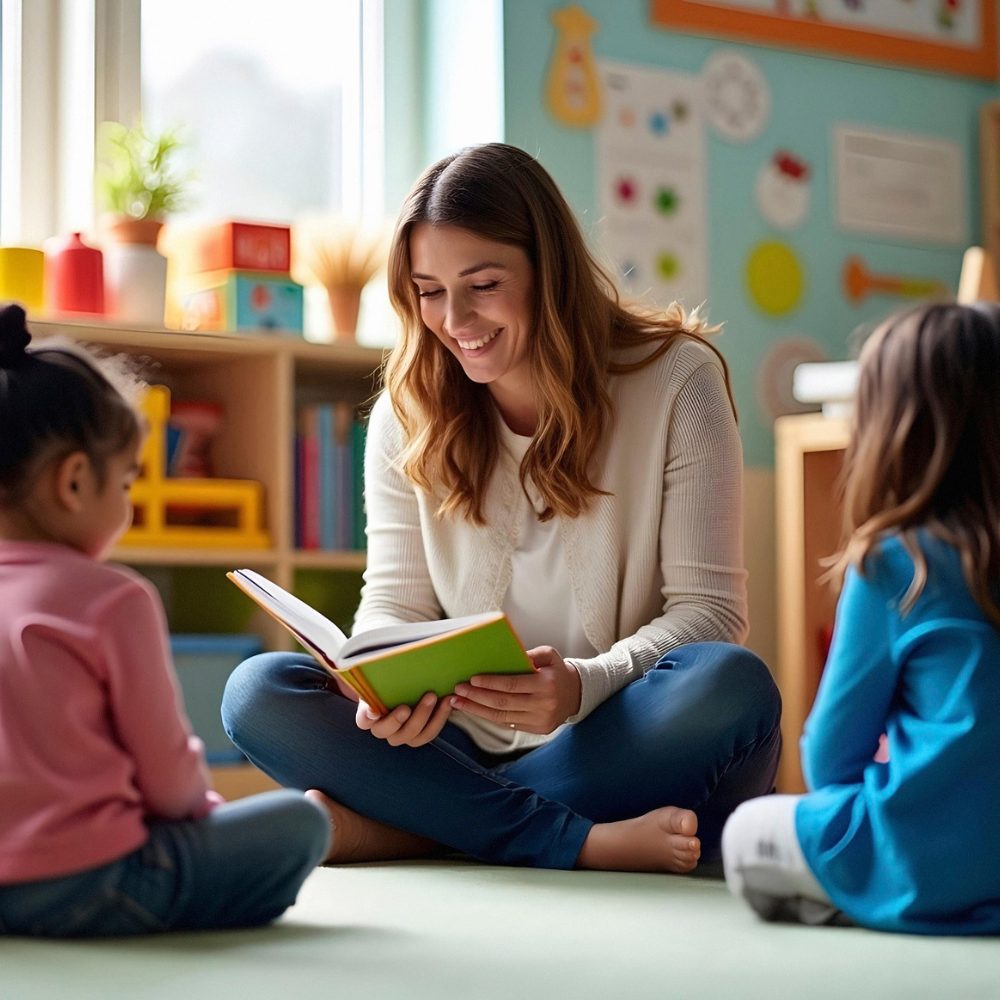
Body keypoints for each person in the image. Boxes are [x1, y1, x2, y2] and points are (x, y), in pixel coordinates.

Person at [223, 142, 780, 873]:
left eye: (483, 284)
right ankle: (567, 839)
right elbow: (394, 601)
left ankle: (419, 828)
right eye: (427, 290)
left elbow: (709, 612)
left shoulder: (679, 379)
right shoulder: (406, 409)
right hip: (456, 744)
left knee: (727, 685)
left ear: (549, 274)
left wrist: (584, 685)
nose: (454, 319)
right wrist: (383, 688)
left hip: (617, 731)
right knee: (257, 692)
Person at [0, 304, 329, 937]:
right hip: (95, 883)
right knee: (301, 823)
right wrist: (195, 814)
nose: (125, 504)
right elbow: (168, 778)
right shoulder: (113, 599)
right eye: (125, 484)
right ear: (73, 482)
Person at [722, 300, 1000, 935]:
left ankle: (857, 894)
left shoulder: (895, 563)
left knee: (745, 832)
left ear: (888, 431)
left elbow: (828, 757)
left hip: (924, 862)